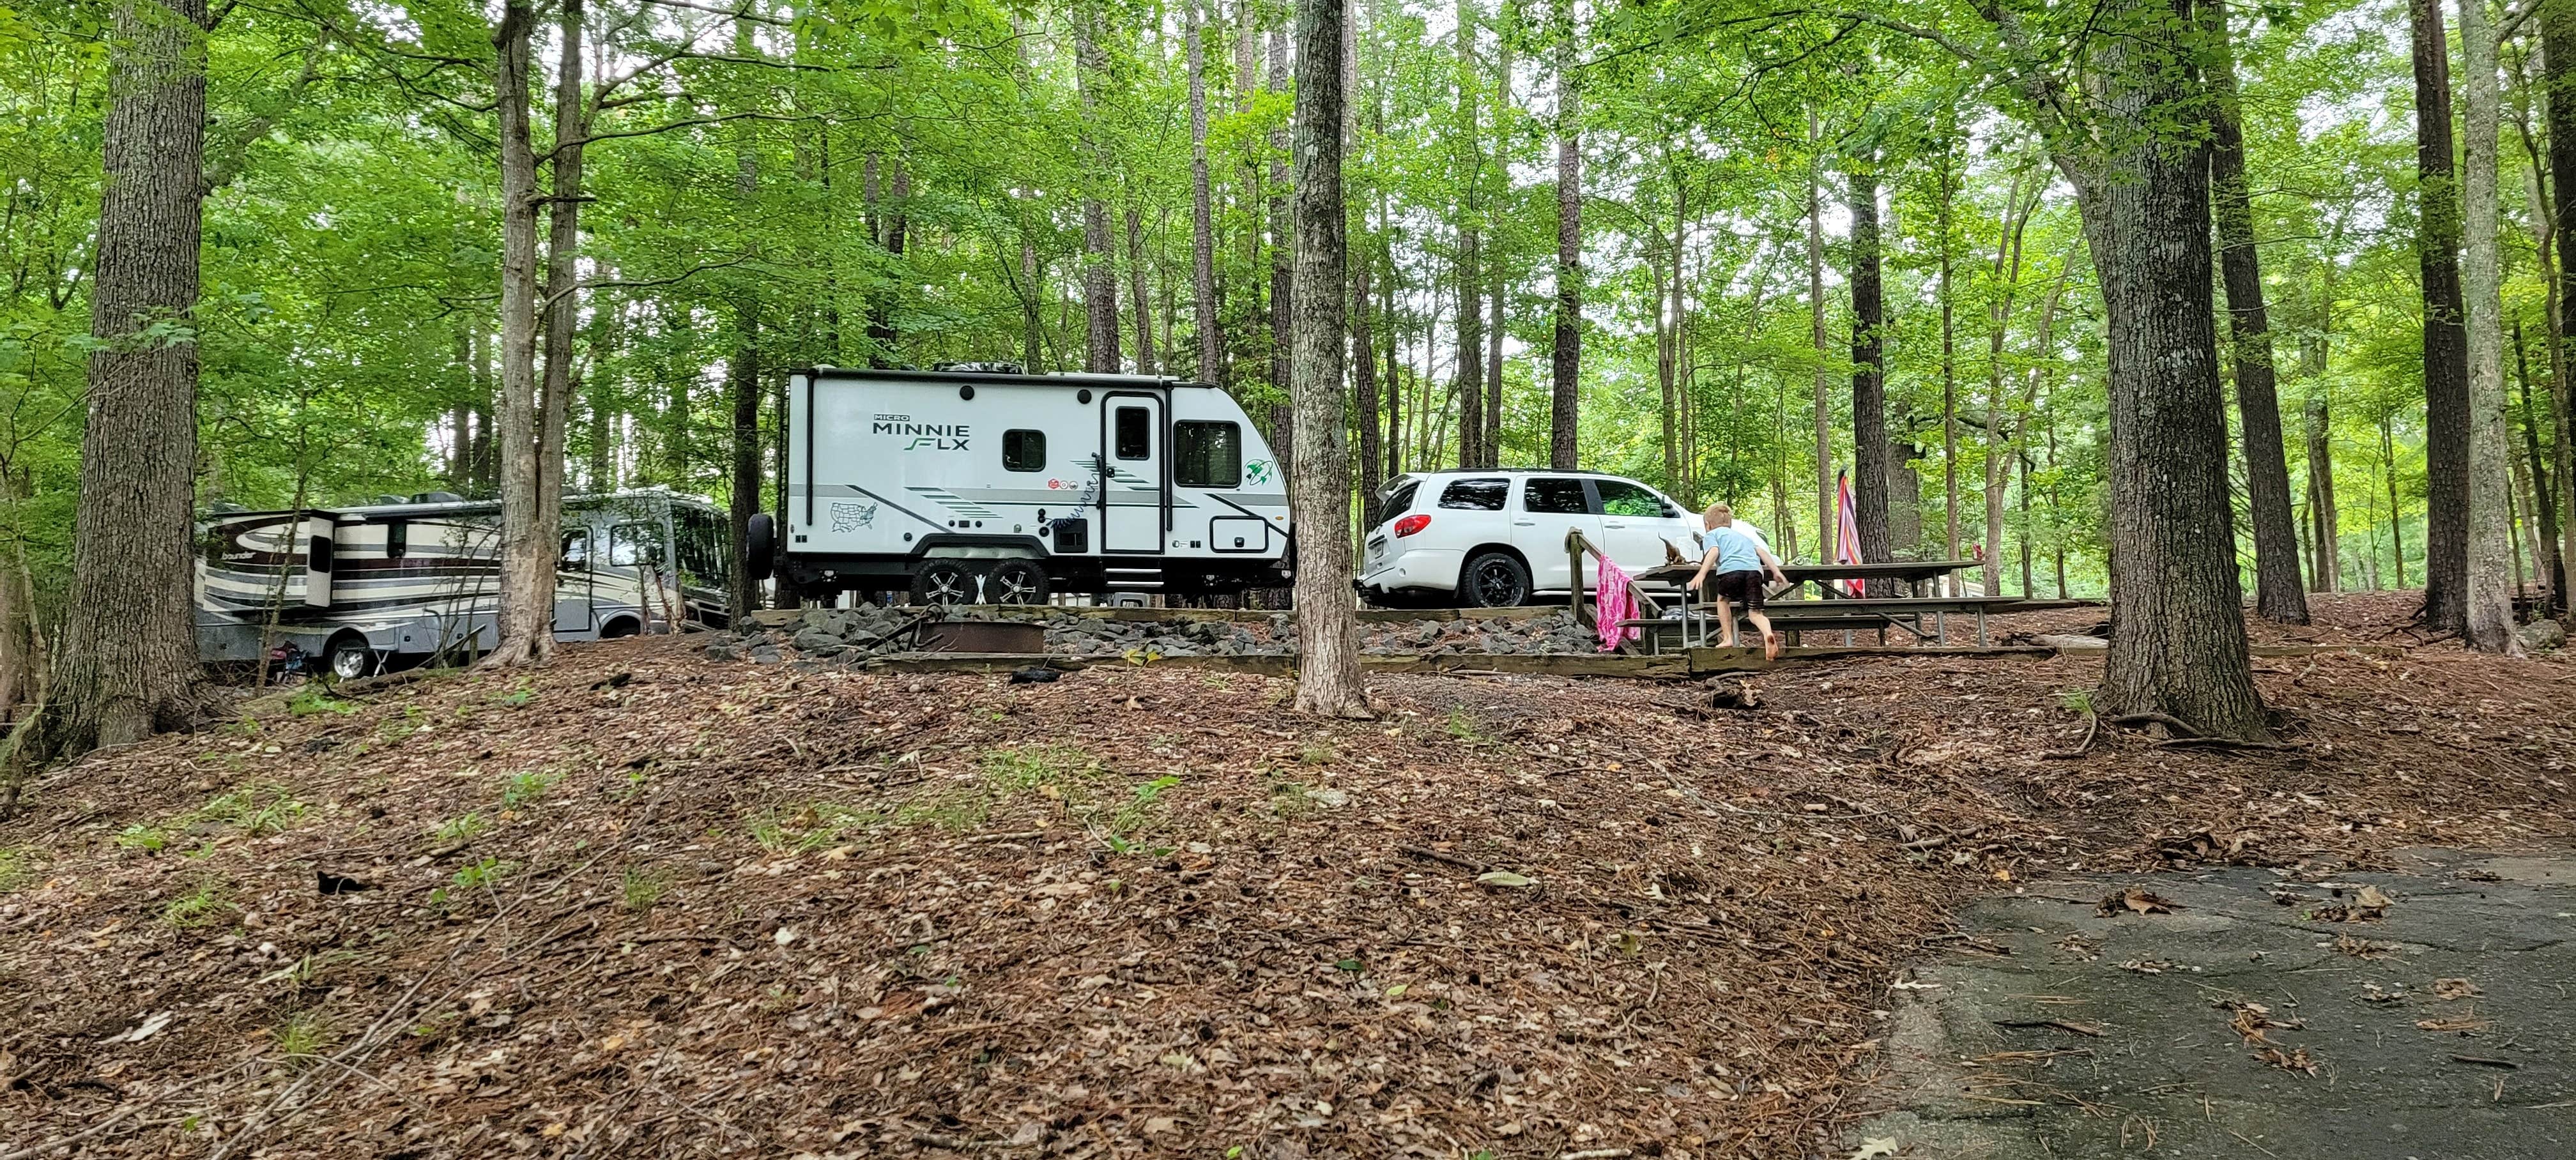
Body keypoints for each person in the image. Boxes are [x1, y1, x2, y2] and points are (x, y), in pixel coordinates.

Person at [1689, 503, 1791, 660]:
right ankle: (1768, 634)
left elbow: (1714, 551)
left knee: (1723, 600)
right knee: (1756, 613)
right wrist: (1776, 571)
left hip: (1732, 571)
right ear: (1730, 524)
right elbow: (1761, 551)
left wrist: (1702, 573)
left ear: (1708, 525)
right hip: (1755, 573)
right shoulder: (1744, 537)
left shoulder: (1712, 535)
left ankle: (1728, 638)